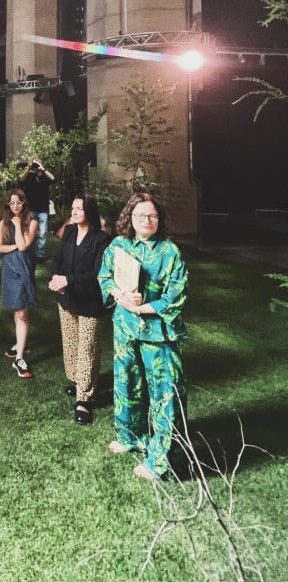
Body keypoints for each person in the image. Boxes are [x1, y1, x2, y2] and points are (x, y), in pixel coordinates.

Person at [98, 192, 188, 480]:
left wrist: (141, 308)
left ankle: (161, 460)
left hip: (158, 333)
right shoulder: (119, 245)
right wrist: (121, 296)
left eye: (152, 216)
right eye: (140, 215)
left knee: (165, 395)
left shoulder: (170, 252)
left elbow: (175, 296)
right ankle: (130, 437)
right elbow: (105, 277)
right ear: (130, 217)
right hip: (126, 330)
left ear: (159, 219)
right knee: (127, 384)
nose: (146, 220)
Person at [48, 194, 111, 424]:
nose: (73, 212)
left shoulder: (102, 239)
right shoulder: (69, 231)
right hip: (67, 298)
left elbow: (98, 273)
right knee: (72, 344)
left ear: (90, 212)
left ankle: (84, 399)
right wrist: (56, 278)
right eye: (73, 208)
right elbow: (57, 259)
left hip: (90, 300)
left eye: (79, 209)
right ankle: (80, 382)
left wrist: (68, 280)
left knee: (88, 348)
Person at [0, 189, 37, 378]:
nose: (15, 206)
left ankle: (19, 358)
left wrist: (18, 224)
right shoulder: (3, 224)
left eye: (18, 202)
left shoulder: (32, 222)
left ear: (24, 203)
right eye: (11, 203)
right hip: (9, 270)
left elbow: (23, 245)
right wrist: (13, 247)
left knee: (22, 312)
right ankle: (21, 343)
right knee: (17, 308)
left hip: (24, 269)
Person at [18, 157, 55, 260]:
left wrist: (43, 169)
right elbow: (20, 180)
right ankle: (28, 251)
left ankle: (40, 255)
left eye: (38, 164)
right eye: (35, 164)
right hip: (30, 209)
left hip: (43, 210)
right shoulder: (29, 176)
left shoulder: (45, 177)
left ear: (41, 164)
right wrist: (28, 168)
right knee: (28, 231)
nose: (36, 166)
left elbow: (53, 179)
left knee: (42, 233)